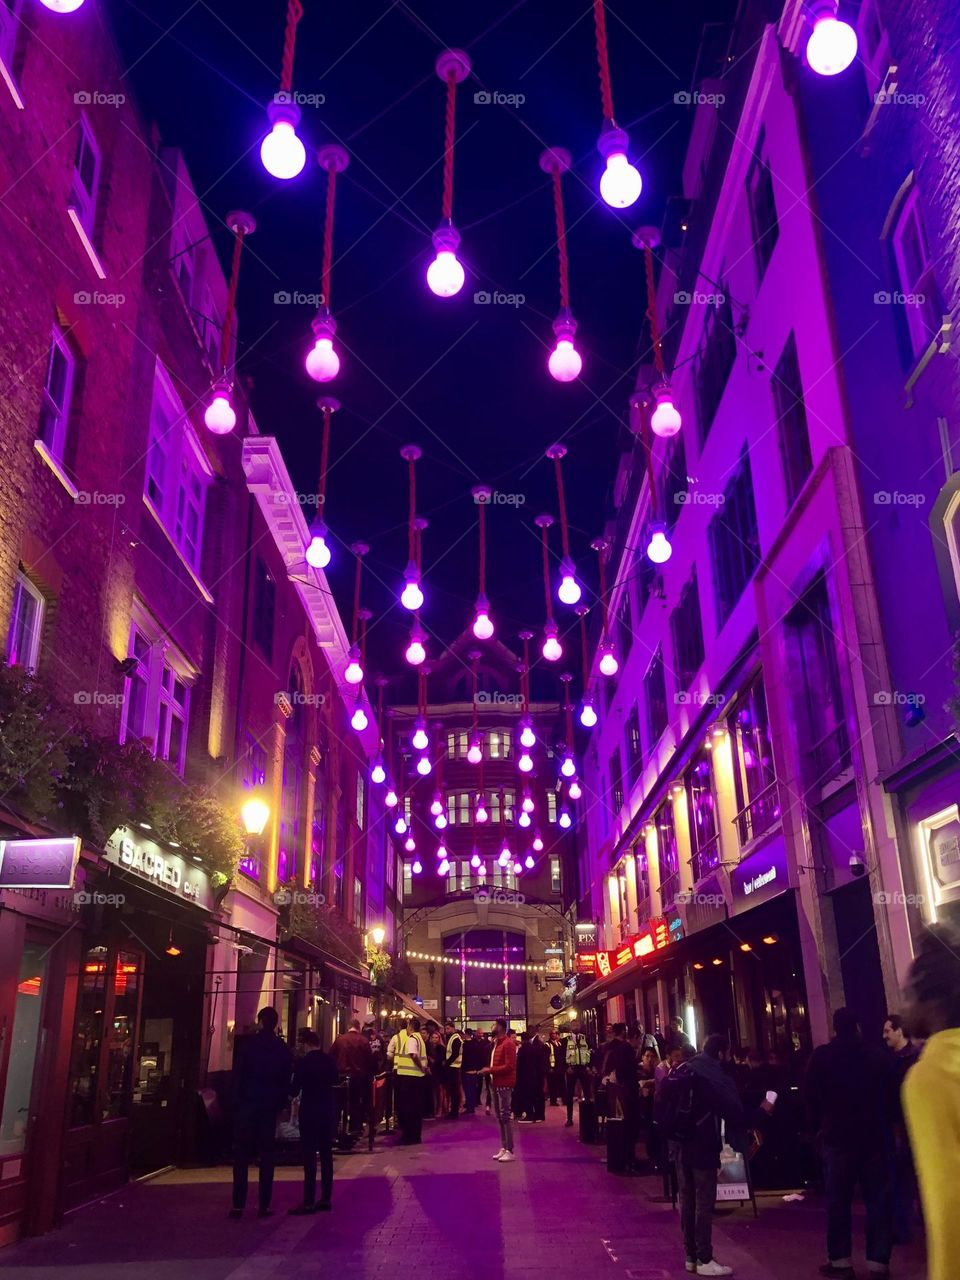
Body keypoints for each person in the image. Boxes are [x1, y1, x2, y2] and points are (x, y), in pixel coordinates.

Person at [657, 1032, 771, 1277]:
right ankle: (704, 1257)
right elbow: (736, 1115)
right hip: (702, 1147)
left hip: (679, 1145)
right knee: (703, 1202)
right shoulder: (712, 1078)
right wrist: (764, 1110)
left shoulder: (685, 1068)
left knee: (686, 1200)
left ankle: (690, 1256)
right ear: (721, 1053)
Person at [805, 1008, 898, 1280]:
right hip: (873, 1136)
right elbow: (891, 1095)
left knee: (838, 1200)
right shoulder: (876, 1057)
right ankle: (878, 1261)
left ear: (835, 1027)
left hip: (837, 1135)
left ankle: (841, 1260)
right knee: (877, 1199)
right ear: (857, 1026)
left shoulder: (822, 1057)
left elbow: (810, 1096)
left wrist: (817, 1130)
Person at [902, 923, 960, 1280]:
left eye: (908, 995)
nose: (902, 1007)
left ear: (931, 1000)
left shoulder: (928, 1078)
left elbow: (948, 1202)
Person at [230, 1007, 294, 1219]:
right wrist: (281, 1103)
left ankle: (238, 1204)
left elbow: (237, 1076)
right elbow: (286, 1078)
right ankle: (264, 1205)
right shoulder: (281, 1048)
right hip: (268, 1108)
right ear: (275, 1023)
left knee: (241, 1156)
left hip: (247, 1106)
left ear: (259, 1021)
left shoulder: (248, 1046)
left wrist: (237, 1102)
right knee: (267, 1156)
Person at [288, 1028, 337, 1215]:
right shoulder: (329, 1060)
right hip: (327, 1110)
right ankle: (326, 1198)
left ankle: (309, 1200)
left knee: (309, 1157)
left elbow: (294, 1090)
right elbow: (335, 1080)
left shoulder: (303, 1063)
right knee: (326, 1155)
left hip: (309, 1111)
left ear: (307, 1044)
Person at [882, 1013, 921, 1244]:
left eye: (887, 1030)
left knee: (909, 1177)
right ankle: (903, 1226)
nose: (884, 1035)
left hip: (909, 1125)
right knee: (901, 1178)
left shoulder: (912, 1058)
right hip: (898, 1126)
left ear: (899, 1031)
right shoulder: (890, 1060)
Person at [602, 1023, 641, 1171]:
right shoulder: (627, 1050)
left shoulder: (618, 1048)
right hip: (628, 1092)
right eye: (639, 1039)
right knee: (630, 1127)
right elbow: (626, 1071)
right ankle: (629, 1159)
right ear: (634, 1037)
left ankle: (627, 1158)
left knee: (626, 1127)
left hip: (619, 1090)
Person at [482, 1019, 517, 1162]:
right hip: (496, 1082)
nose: (492, 1027)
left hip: (504, 1083)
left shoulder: (508, 1043)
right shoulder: (497, 1043)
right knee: (500, 1117)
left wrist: (490, 1070)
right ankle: (504, 1147)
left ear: (501, 1027)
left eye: (495, 1025)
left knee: (505, 1116)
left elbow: (509, 1066)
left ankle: (510, 1149)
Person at [331, 1018, 373, 1135]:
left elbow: (331, 1056)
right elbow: (369, 1060)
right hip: (358, 1077)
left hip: (342, 1077)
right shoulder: (363, 1041)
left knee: (339, 1104)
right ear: (358, 1027)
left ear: (348, 1027)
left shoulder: (340, 1040)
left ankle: (336, 1129)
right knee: (355, 1103)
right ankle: (355, 1128)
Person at [393, 1017, 428, 1145]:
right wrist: (424, 1068)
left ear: (410, 1027)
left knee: (407, 1109)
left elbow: (413, 1055)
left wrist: (421, 1067)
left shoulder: (412, 1039)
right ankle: (415, 1135)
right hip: (417, 1077)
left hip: (408, 1078)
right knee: (416, 1109)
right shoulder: (420, 1039)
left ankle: (409, 1136)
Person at [562, 1022, 593, 1127]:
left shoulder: (585, 1038)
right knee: (569, 1094)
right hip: (572, 1069)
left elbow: (591, 1052)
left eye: (577, 1025)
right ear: (571, 1027)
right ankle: (569, 1118)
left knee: (587, 1093)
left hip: (583, 1069)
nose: (576, 1027)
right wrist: (566, 1068)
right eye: (574, 1025)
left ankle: (589, 1117)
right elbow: (561, 1055)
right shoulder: (565, 1040)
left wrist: (590, 1066)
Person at [461, 1027, 486, 1114]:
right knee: (472, 1089)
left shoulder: (464, 1045)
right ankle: (472, 1106)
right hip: (474, 1070)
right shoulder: (475, 1044)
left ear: (465, 1034)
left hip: (466, 1070)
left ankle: (469, 1108)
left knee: (468, 1090)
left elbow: (463, 1058)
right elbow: (479, 1057)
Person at [443, 1020, 463, 1118]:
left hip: (454, 1067)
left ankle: (454, 1112)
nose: (446, 1030)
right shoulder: (452, 1038)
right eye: (445, 1028)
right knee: (453, 1090)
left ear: (453, 1028)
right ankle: (453, 1111)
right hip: (452, 1067)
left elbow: (454, 1054)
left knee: (454, 1091)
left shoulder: (455, 1038)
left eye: (448, 1028)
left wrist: (447, 1062)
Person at [547, 1029, 566, 1105]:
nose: (555, 1035)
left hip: (560, 1068)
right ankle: (553, 1101)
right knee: (553, 1086)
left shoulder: (559, 1044)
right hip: (553, 1069)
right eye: (553, 1033)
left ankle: (565, 1100)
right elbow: (546, 1058)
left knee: (563, 1085)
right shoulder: (547, 1044)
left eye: (556, 1033)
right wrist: (549, 1068)